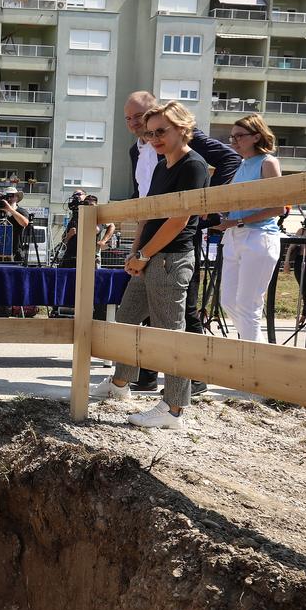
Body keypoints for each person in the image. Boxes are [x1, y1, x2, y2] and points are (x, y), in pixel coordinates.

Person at [90, 100, 211, 430]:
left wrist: (144, 255)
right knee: (126, 319)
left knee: (170, 334)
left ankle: (174, 409)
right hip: (150, 256)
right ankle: (119, 385)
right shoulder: (161, 166)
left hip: (172, 259)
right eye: (150, 133)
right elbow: (149, 213)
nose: (154, 138)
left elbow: (179, 220)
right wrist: (136, 253)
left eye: (161, 131)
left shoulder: (193, 165)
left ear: (182, 128)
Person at [123, 89, 239, 393]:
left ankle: (189, 384)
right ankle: (141, 377)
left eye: (139, 117)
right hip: (150, 237)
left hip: (176, 240)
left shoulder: (186, 147)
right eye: (129, 119)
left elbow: (229, 158)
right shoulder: (141, 151)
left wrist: (206, 203)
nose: (135, 124)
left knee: (180, 313)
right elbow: (142, 194)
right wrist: (138, 248)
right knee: (141, 314)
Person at [209, 113, 285, 343]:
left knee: (247, 305)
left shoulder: (268, 163)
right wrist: (224, 215)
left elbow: (279, 208)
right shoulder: (241, 164)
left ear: (256, 136)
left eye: (239, 136)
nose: (234, 141)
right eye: (231, 137)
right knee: (229, 302)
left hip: (259, 237)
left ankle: (254, 357)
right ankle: (258, 353)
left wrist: (236, 221)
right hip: (235, 236)